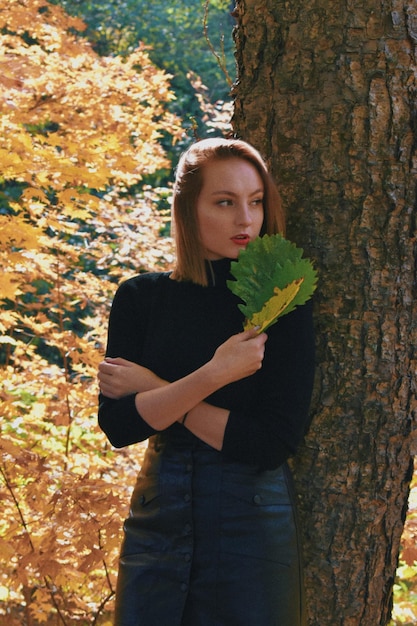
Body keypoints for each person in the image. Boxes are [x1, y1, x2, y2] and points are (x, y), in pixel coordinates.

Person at [98, 137, 315, 626]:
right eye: (225, 202)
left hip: (251, 524)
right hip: (158, 515)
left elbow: (268, 442)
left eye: (255, 202)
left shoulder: (280, 304)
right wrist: (215, 375)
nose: (245, 219)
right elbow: (118, 425)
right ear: (187, 208)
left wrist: (156, 388)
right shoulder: (141, 298)